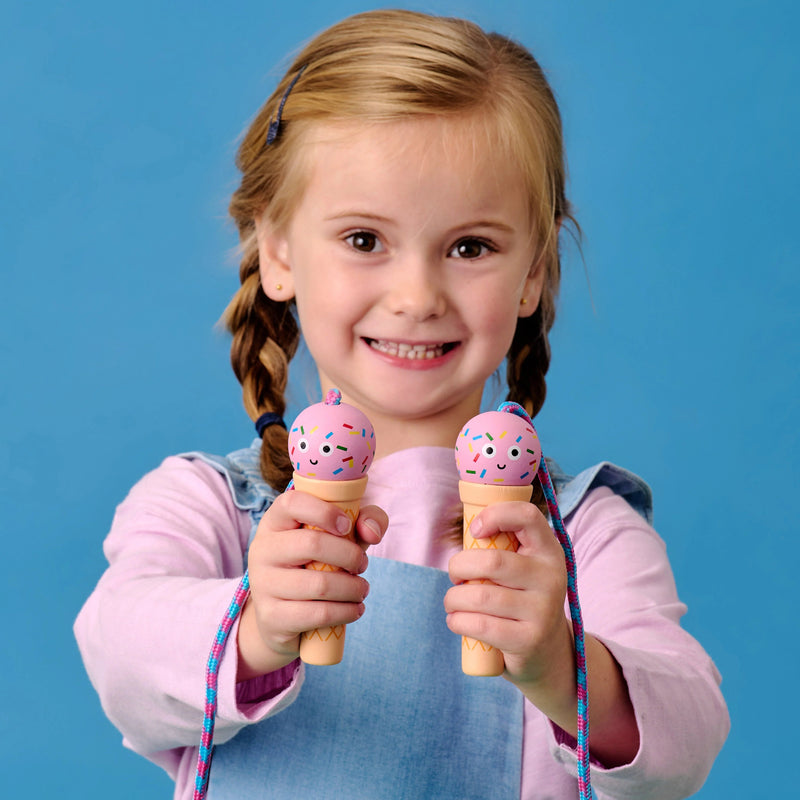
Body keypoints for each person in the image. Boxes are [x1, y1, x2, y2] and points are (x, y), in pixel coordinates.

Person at [75, 9, 729, 800]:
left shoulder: (581, 531)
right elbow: (118, 652)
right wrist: (253, 628)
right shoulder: (211, 507)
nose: (417, 295)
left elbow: (686, 745)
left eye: (470, 247)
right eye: (363, 240)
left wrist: (564, 666)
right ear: (276, 250)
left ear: (533, 272)